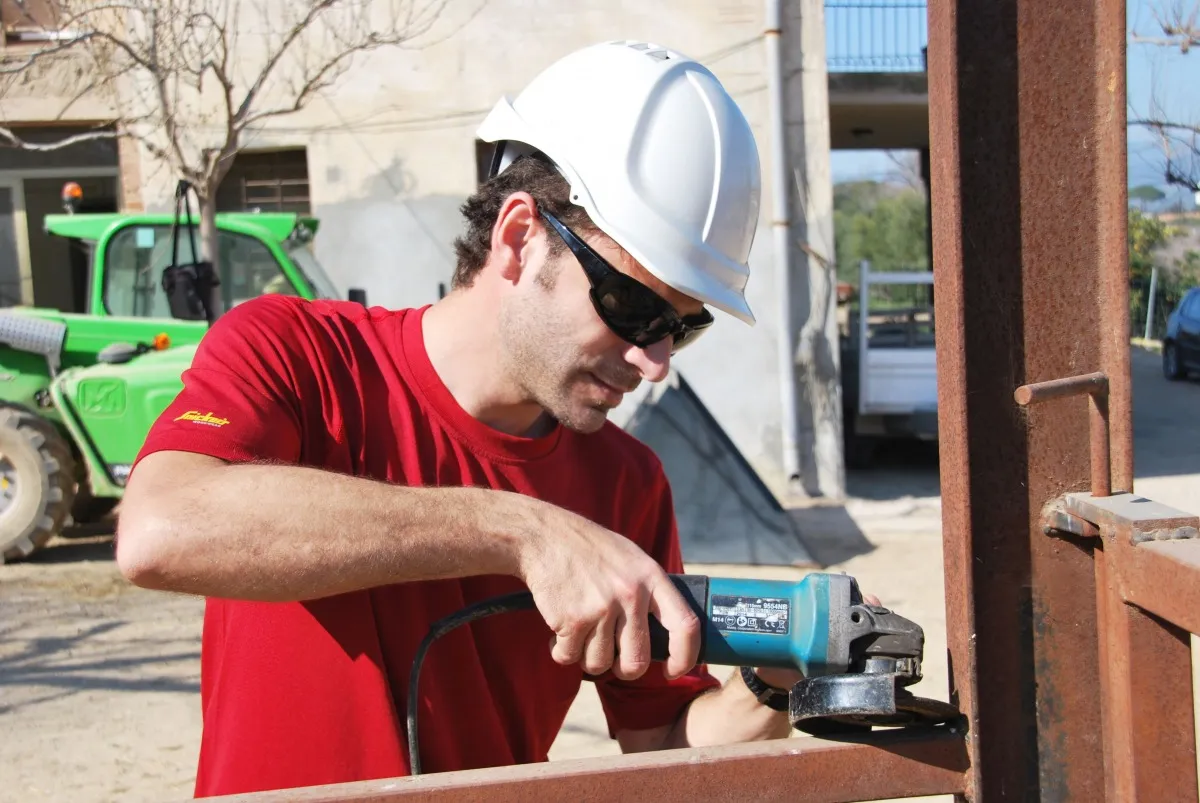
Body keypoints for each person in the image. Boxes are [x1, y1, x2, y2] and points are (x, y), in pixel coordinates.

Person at [115, 40, 796, 798]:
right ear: (518, 238)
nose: (656, 359)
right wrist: (525, 532)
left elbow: (663, 739)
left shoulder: (627, 485)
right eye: (634, 307)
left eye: (682, 326)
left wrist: (775, 685)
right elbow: (161, 530)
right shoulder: (295, 354)